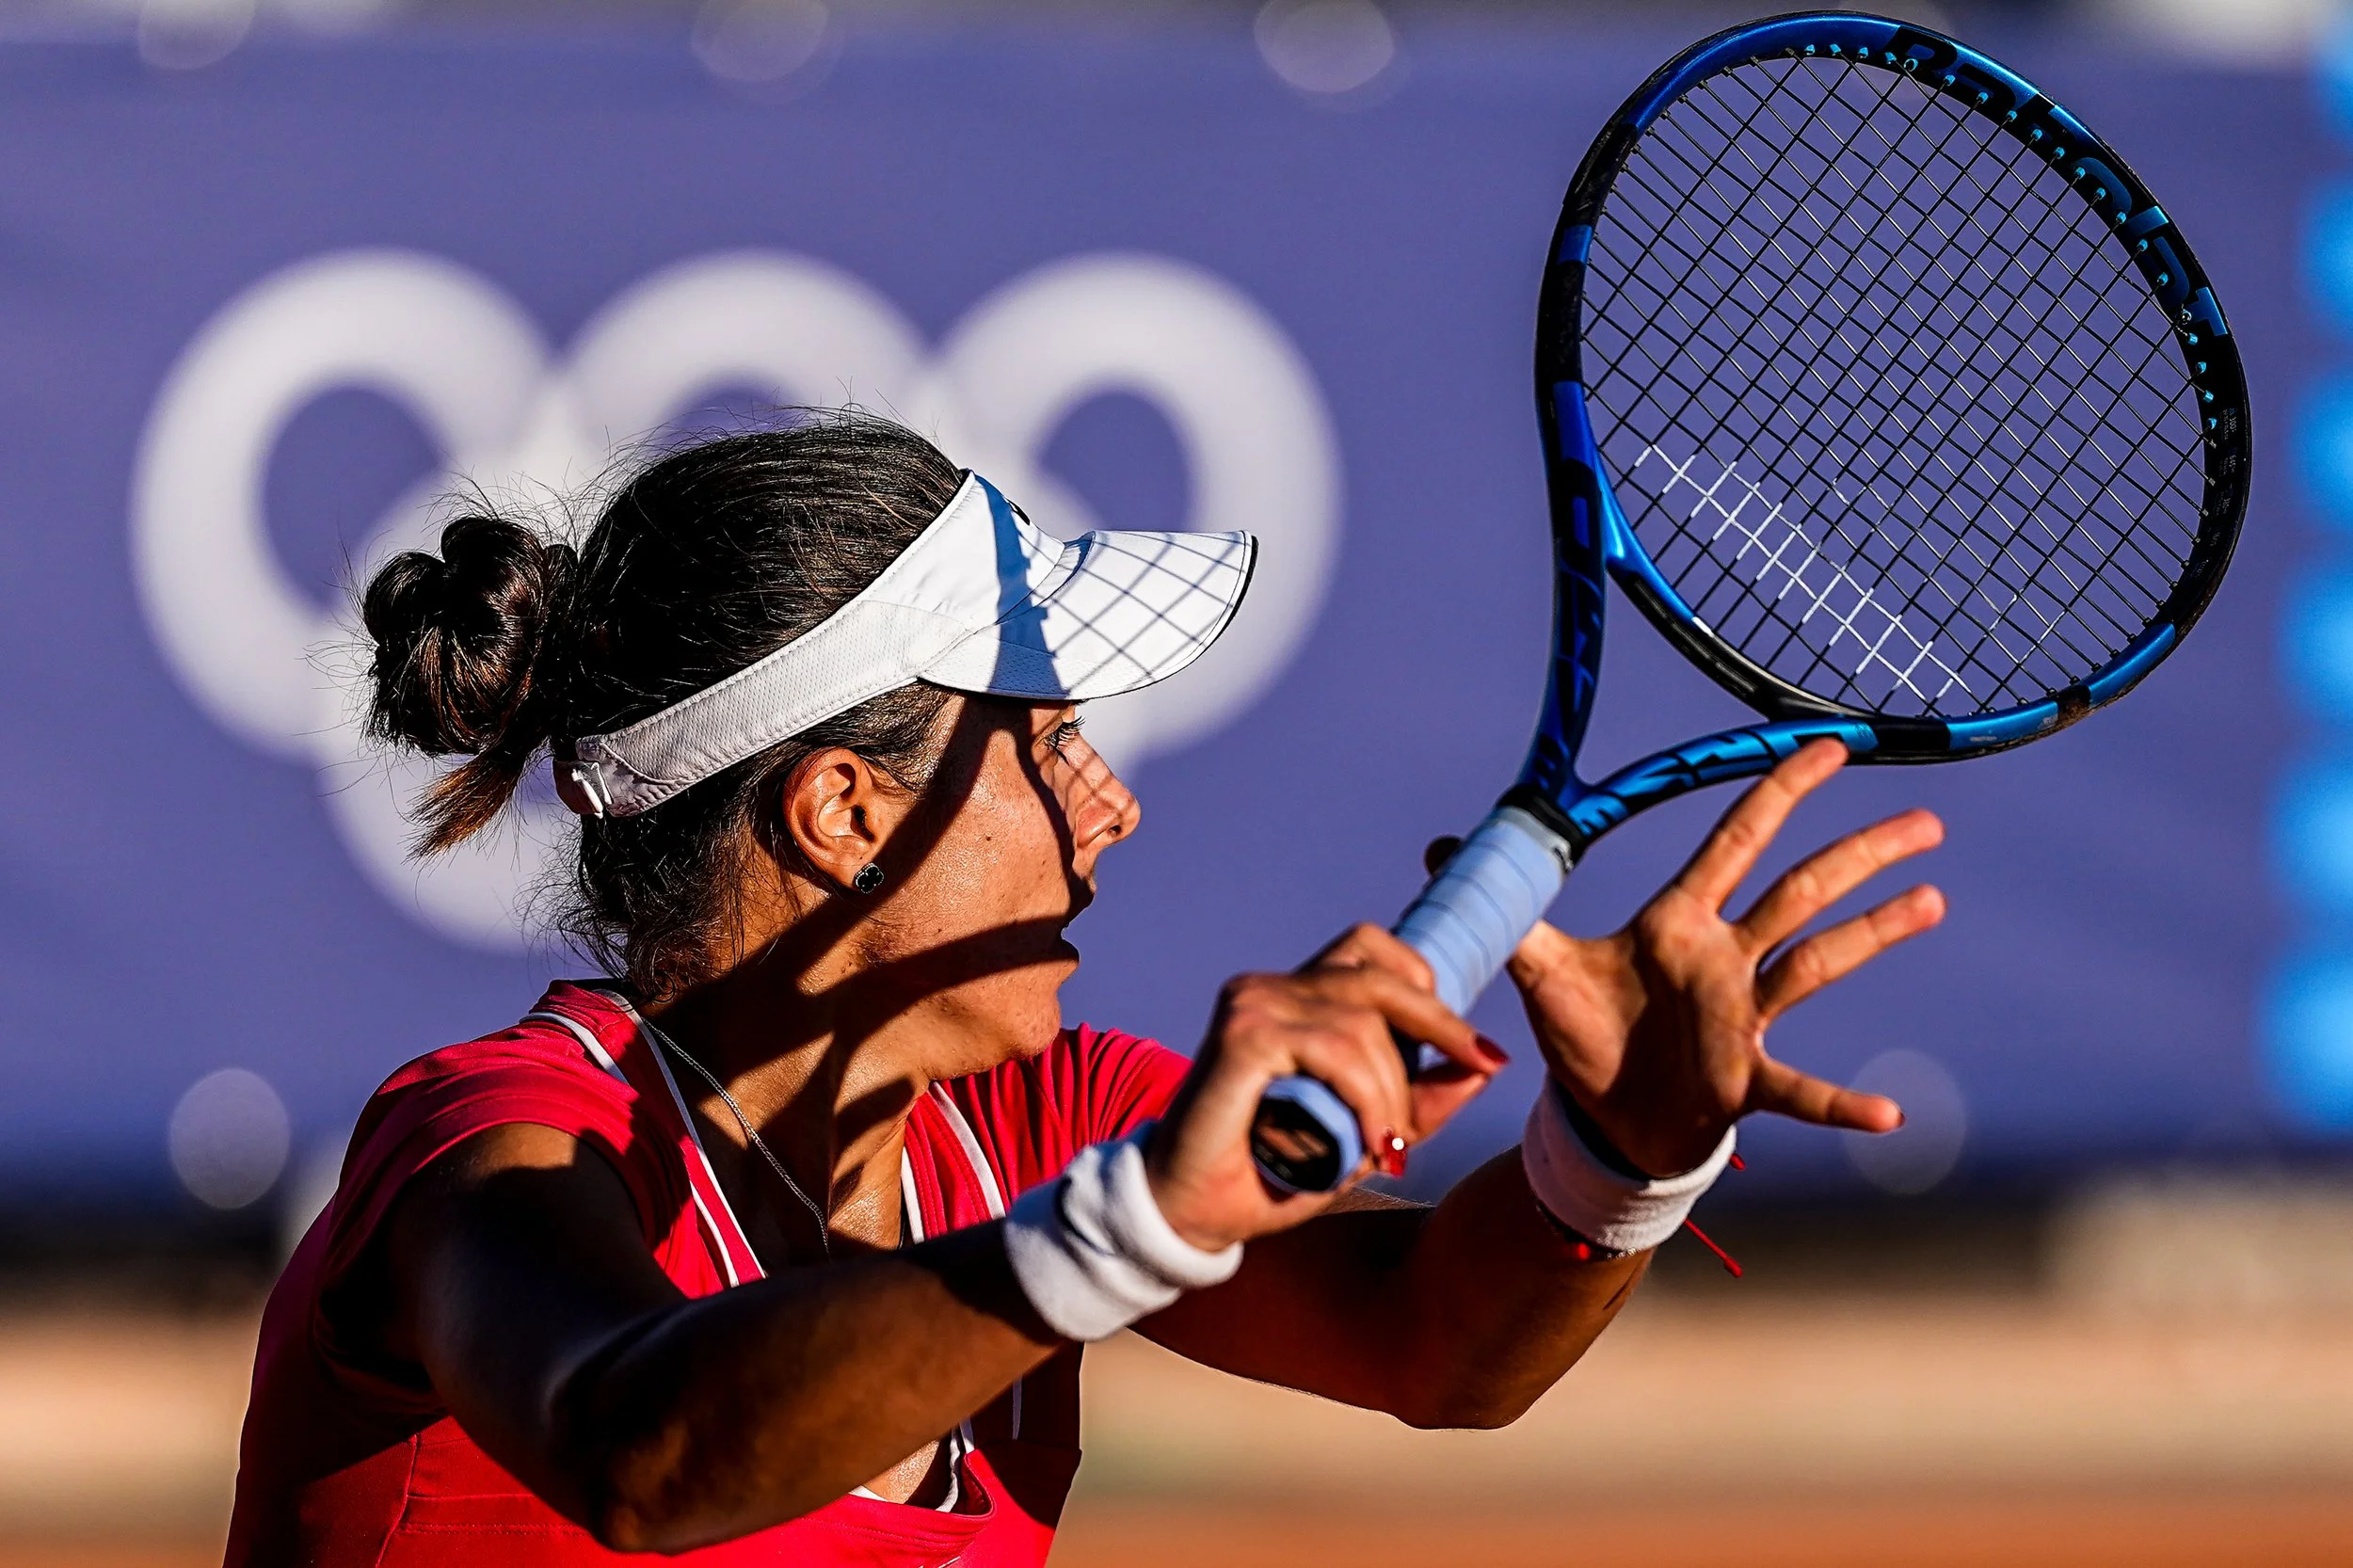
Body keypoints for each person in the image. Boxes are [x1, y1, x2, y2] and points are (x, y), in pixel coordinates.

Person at [223, 412, 1944, 1567]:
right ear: (842, 813)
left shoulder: (1037, 1128)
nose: (1114, 803)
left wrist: (1623, 1156)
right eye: (1049, 743)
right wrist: (1121, 1227)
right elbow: (642, 1442)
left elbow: (1434, 1335)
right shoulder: (494, 1147)